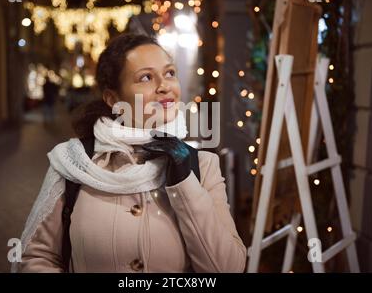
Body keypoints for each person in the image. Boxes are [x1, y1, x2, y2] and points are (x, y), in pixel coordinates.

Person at [13, 34, 247, 273]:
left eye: (169, 73)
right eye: (146, 77)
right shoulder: (74, 164)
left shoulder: (202, 166)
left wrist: (184, 182)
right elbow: (35, 258)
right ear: (113, 99)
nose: (164, 86)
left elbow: (228, 268)